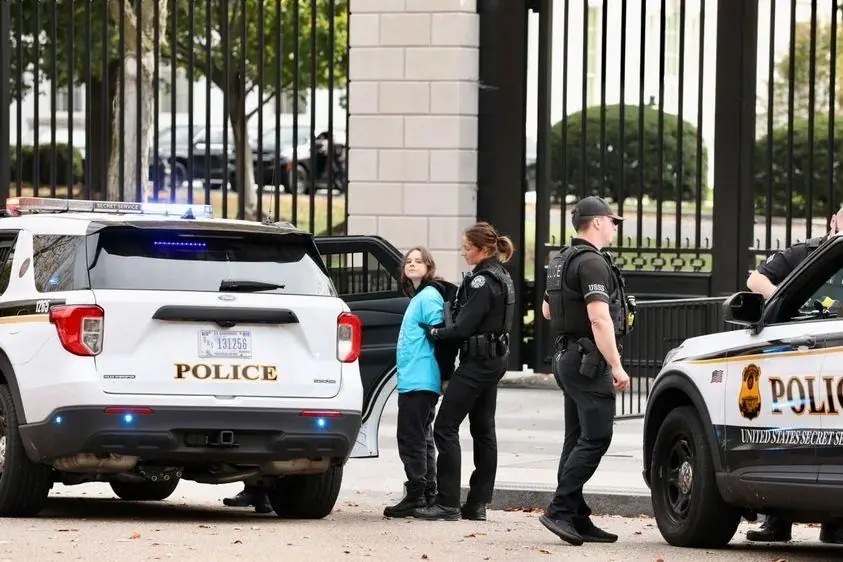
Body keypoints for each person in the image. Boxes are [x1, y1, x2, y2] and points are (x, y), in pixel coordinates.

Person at [743, 206, 843, 544]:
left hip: (833, 355)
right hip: (795, 352)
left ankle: (834, 524)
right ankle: (776, 521)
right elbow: (755, 280)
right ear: (834, 221)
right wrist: (784, 301)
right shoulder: (806, 252)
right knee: (784, 435)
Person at [538, 196, 633, 546]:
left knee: (576, 437)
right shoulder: (592, 262)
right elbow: (599, 318)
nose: (615, 227)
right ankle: (560, 510)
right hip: (588, 362)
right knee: (596, 438)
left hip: (566, 357)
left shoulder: (561, 260)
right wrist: (616, 365)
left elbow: (547, 311)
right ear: (596, 222)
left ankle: (576, 516)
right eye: (612, 221)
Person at [411, 222, 517, 522]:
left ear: (483, 250)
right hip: (493, 360)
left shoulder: (483, 281)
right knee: (483, 430)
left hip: (478, 364)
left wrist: (435, 332)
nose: (463, 252)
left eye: (467, 247)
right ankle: (477, 503)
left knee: (445, 427)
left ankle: (447, 502)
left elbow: (463, 327)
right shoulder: (501, 275)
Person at [383, 246, 451, 518]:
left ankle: (416, 494)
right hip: (414, 378)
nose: (411, 264)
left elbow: (442, 335)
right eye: (408, 261)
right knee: (421, 436)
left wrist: (445, 375)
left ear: (429, 266)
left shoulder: (429, 296)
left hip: (421, 378)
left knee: (411, 437)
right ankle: (426, 492)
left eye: (418, 261)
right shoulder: (419, 296)